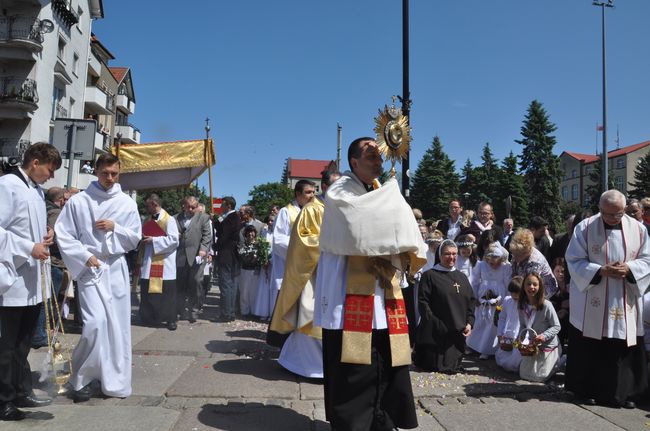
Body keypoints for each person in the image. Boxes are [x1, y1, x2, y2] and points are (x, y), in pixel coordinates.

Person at [315, 137, 427, 430]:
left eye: (380, 157)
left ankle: (382, 417)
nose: (378, 161)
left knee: (386, 357)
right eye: (371, 157)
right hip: (348, 293)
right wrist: (392, 199)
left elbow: (399, 225)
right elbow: (358, 225)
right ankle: (354, 422)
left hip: (382, 292)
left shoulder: (379, 190)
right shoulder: (341, 190)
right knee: (354, 367)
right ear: (354, 162)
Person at [55, 153, 141, 403]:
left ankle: (111, 377)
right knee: (95, 324)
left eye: (114, 173)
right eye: (105, 173)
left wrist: (116, 227)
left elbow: (134, 237)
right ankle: (81, 378)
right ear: (96, 171)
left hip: (114, 268)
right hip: (91, 267)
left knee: (116, 327)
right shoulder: (79, 201)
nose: (110, 178)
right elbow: (64, 234)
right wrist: (84, 255)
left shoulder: (126, 203)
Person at [565, 189, 650, 408]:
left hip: (625, 295)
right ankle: (587, 390)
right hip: (595, 294)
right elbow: (573, 259)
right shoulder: (584, 228)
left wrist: (629, 269)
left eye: (618, 214)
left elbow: (648, 260)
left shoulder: (638, 230)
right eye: (608, 214)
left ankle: (627, 393)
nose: (613, 218)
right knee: (592, 343)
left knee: (623, 344)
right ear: (600, 209)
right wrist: (599, 270)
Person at [0, 143, 61, 421]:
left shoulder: (36, 191)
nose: (51, 176)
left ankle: (21, 390)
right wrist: (28, 247)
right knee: (7, 345)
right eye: (50, 169)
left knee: (24, 343)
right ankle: (3, 400)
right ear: (35, 162)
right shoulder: (8, 185)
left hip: (33, 281)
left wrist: (46, 233)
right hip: (13, 280)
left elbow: (26, 226)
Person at [271, 170, 340, 378]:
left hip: (335, 273)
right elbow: (302, 242)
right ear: (326, 188)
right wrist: (333, 246)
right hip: (314, 274)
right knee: (310, 318)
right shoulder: (312, 210)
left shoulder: (338, 208)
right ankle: (310, 367)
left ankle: (294, 361)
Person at [414, 239, 475, 373]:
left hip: (457, 333)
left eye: (454, 254)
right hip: (436, 332)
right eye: (447, 254)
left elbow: (471, 301)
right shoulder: (429, 275)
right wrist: (434, 323)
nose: (451, 257)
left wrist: (470, 323)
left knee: (452, 365)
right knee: (433, 365)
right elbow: (423, 302)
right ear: (440, 255)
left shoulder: (462, 277)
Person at [269, 180, 316, 323]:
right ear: (298, 194)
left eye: (314, 192)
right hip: (288, 268)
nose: (312, 195)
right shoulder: (286, 212)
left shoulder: (314, 211)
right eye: (308, 192)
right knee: (287, 312)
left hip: (309, 268)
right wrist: (302, 249)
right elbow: (278, 240)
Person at [31, 186, 67, 348]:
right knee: (47, 300)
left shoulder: (44, 209)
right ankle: (39, 334)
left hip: (48, 260)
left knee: (44, 298)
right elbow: (56, 236)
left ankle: (39, 332)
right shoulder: (55, 213)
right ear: (60, 200)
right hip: (53, 261)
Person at [138, 194, 180, 331]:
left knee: (167, 295)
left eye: (148, 206)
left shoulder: (169, 220)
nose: (146, 208)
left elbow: (174, 240)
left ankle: (170, 320)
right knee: (149, 293)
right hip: (149, 260)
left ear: (155, 204)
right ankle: (151, 319)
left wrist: (154, 240)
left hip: (165, 263)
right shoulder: (147, 220)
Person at [467, 244, 511, 359]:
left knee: (493, 322)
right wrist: (475, 296)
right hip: (483, 294)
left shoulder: (505, 267)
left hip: (499, 296)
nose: (493, 265)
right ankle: (474, 345)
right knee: (480, 320)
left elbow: (507, 284)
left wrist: (506, 299)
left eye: (496, 262)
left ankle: (488, 349)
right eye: (490, 262)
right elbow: (475, 281)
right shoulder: (481, 265)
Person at [517, 272, 561, 382]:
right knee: (524, 375)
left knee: (539, 377)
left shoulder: (546, 305)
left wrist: (544, 336)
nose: (531, 287)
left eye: (535, 284)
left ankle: (560, 359)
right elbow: (523, 325)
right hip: (532, 347)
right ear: (524, 286)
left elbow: (556, 326)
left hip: (546, 346)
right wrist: (521, 338)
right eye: (528, 284)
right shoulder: (521, 305)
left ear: (539, 286)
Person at [175, 196, 212, 322]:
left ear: (197, 207)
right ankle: (180, 309)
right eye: (188, 206)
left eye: (193, 207)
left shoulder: (203, 218)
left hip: (197, 255)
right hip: (180, 255)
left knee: (196, 282)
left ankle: (194, 310)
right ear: (183, 206)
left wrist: (203, 249)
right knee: (180, 283)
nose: (191, 209)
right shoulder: (176, 218)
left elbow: (207, 236)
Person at [509, 228, 558, 299]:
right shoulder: (517, 252)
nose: (514, 257)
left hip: (542, 290)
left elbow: (529, 286)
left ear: (526, 252)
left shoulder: (535, 262)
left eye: (517, 255)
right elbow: (513, 273)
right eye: (514, 254)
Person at [215, 196, 241, 321]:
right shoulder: (233, 218)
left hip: (226, 254)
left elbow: (223, 236)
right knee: (229, 285)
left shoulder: (231, 218)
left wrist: (215, 245)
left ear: (228, 206)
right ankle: (229, 312)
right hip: (230, 255)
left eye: (222, 205)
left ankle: (226, 313)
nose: (221, 207)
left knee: (225, 284)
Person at [495, 276, 523, 373]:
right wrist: (500, 333)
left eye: (517, 293)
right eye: (512, 293)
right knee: (503, 354)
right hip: (508, 332)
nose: (514, 295)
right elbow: (502, 318)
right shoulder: (507, 300)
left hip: (519, 333)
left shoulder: (525, 303)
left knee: (515, 358)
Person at [237, 225, 260, 318]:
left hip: (255, 271)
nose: (251, 234)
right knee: (244, 292)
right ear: (246, 234)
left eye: (252, 232)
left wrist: (256, 259)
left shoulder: (259, 244)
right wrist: (250, 258)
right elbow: (241, 256)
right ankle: (244, 311)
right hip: (245, 270)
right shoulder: (242, 244)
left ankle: (254, 311)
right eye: (249, 232)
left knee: (254, 292)